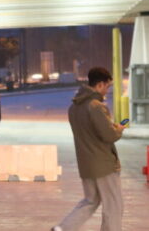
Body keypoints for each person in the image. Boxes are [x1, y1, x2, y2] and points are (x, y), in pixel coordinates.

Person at [51, 67, 126, 231]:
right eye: (107, 86)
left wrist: (109, 127)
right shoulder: (96, 106)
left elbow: (90, 132)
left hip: (86, 164)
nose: (107, 90)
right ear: (100, 85)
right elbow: (109, 136)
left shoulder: (74, 108)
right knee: (113, 205)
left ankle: (62, 228)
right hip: (104, 164)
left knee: (90, 201)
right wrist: (118, 129)